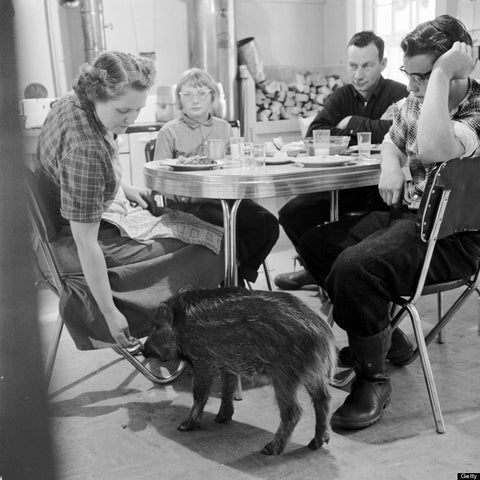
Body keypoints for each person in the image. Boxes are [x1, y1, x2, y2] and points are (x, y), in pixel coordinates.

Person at [298, 15, 480, 429]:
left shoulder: (478, 110)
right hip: (410, 217)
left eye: (424, 76)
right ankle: (384, 336)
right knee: (316, 243)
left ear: (455, 69)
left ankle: (372, 378)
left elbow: (436, 148)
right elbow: (391, 142)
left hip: (453, 236)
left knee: (355, 266)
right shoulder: (412, 103)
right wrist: (390, 165)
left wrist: (441, 78)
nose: (413, 85)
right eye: (410, 74)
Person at [36, 52, 225, 350]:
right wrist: (110, 313)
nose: (131, 119)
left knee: (194, 225)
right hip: (75, 239)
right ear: (96, 94)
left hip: (80, 216)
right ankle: (180, 331)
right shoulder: (85, 149)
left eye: (138, 110)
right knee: (211, 244)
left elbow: (79, 167)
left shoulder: (72, 99)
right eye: (123, 110)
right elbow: (86, 242)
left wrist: (120, 186)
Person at [275, 31, 408, 291]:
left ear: (382, 64)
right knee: (291, 213)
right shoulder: (340, 96)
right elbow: (314, 134)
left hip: (380, 188)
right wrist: (371, 130)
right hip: (340, 187)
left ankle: (347, 277)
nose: (358, 74)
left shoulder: (400, 93)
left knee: (360, 227)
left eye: (367, 65)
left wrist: (351, 123)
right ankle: (317, 270)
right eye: (353, 65)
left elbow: (397, 131)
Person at [154, 67, 280, 284]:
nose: (195, 100)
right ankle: (233, 284)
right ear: (179, 100)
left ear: (212, 97)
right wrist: (187, 196)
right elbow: (160, 180)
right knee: (228, 229)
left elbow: (236, 167)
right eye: (188, 95)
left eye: (202, 93)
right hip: (189, 204)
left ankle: (240, 273)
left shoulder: (225, 128)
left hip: (227, 197)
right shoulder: (169, 131)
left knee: (267, 223)